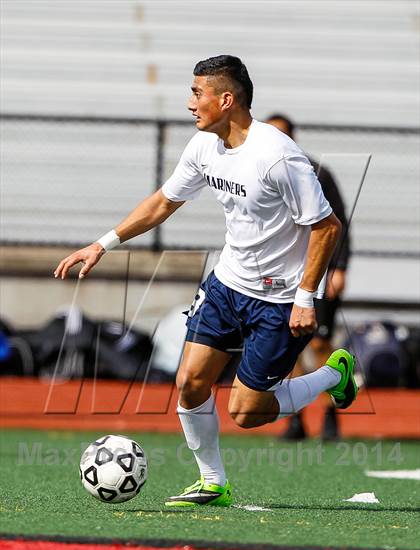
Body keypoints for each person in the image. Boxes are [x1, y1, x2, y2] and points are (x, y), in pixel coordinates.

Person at [54, 55, 357, 508]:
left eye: (198, 93)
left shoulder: (277, 155)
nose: (191, 103)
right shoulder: (203, 147)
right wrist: (103, 244)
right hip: (226, 284)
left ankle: (334, 373)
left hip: (278, 300)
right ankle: (213, 481)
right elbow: (162, 203)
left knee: (247, 412)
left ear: (226, 99)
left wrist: (305, 297)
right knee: (190, 383)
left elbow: (327, 226)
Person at [266, 114, 351, 441]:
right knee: (285, 347)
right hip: (279, 276)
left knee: (319, 343)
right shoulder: (256, 172)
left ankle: (331, 413)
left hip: (317, 273)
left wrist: (339, 268)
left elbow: (339, 223)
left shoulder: (315, 173)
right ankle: (296, 418)